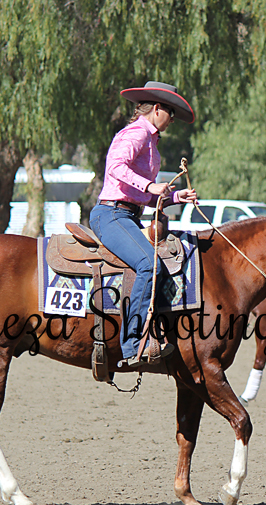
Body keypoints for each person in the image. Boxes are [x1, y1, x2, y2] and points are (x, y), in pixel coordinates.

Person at [89, 81, 198, 370]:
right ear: (158, 108)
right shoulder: (136, 133)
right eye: (171, 113)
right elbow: (116, 167)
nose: (172, 120)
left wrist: (176, 197)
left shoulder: (151, 143)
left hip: (126, 214)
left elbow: (141, 196)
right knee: (150, 264)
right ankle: (133, 344)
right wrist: (151, 185)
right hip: (111, 214)